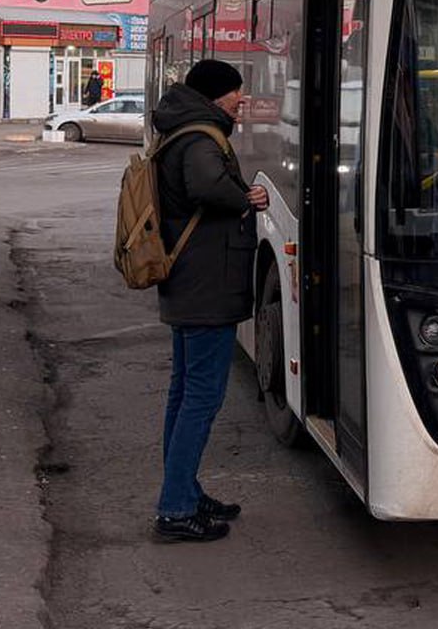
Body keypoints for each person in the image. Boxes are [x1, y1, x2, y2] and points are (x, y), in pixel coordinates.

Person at [151, 59, 268, 542]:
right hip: (206, 286)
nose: (240, 105)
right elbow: (204, 185)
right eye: (236, 97)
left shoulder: (180, 130)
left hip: (190, 283)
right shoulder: (201, 137)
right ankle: (176, 508)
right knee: (200, 398)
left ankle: (184, 490)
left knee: (184, 396)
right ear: (217, 96)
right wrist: (249, 197)